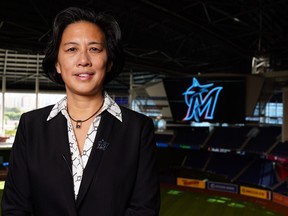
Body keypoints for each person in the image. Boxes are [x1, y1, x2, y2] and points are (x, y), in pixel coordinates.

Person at [1, 7, 160, 215]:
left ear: (109, 62)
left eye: (94, 49)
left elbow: (144, 209)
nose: (83, 60)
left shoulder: (138, 129)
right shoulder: (31, 126)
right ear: (57, 63)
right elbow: (15, 208)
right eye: (71, 49)